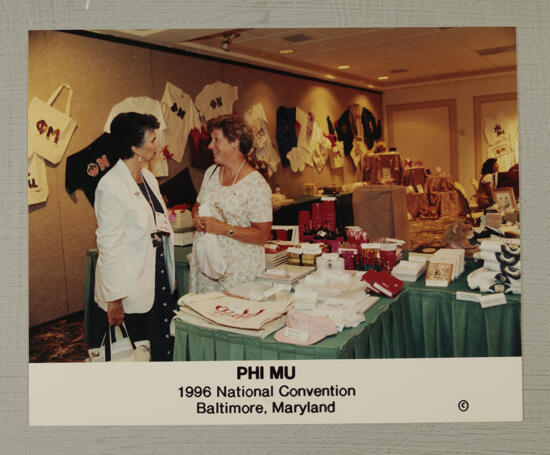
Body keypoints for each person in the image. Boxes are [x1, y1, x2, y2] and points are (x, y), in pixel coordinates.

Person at [93, 112, 176, 362]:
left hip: (155, 276)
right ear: (134, 147)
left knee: (160, 347)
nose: (157, 144)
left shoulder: (148, 178)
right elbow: (110, 247)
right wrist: (115, 299)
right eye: (152, 139)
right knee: (138, 353)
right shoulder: (111, 186)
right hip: (129, 287)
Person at [189, 115, 273, 294]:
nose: (211, 146)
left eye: (216, 139)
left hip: (238, 275)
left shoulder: (255, 184)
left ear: (234, 142)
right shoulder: (211, 173)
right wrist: (197, 217)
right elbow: (197, 206)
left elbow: (262, 235)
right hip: (207, 269)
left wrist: (223, 228)